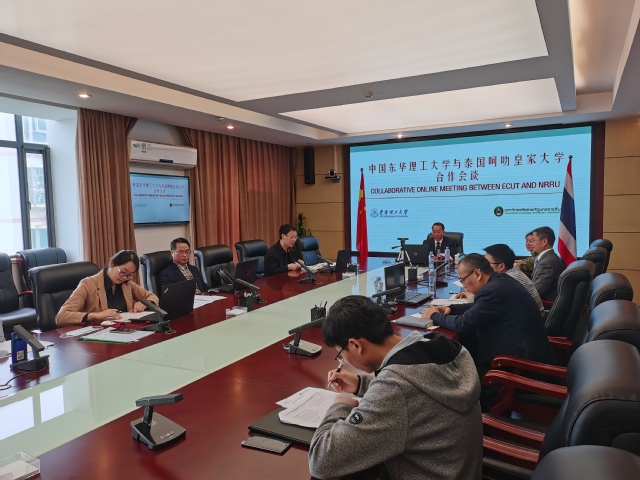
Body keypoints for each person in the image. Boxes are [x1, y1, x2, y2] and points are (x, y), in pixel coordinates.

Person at [309, 295, 482, 480]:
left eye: (341, 355)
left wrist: (341, 405)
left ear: (355, 345)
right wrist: (361, 384)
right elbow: (415, 393)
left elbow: (321, 462)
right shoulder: (444, 348)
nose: (343, 360)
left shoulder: (395, 389)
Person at [421, 254, 556, 410]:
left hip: (519, 370)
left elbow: (463, 324)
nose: (463, 285)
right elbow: (479, 307)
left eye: (463, 279)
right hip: (528, 357)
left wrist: (434, 316)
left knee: (449, 375)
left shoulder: (492, 291)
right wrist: (451, 309)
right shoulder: (501, 281)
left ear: (477, 274)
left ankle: (465, 418)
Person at [56, 250, 159, 326]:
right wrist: (95, 315)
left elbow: (152, 296)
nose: (124, 277)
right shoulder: (88, 284)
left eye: (129, 275)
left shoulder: (127, 284)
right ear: (111, 263)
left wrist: (144, 304)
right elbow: (61, 316)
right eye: (123, 272)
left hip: (124, 331)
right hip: (98, 336)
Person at [484, 243, 545, 316]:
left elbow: (485, 305)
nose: (483, 266)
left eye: (487, 264)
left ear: (501, 266)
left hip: (530, 320)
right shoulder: (514, 273)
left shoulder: (506, 281)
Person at [530, 226, 566, 302]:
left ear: (544, 242)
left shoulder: (547, 262)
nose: (531, 244)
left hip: (545, 303)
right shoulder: (548, 257)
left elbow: (536, 291)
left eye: (533, 241)